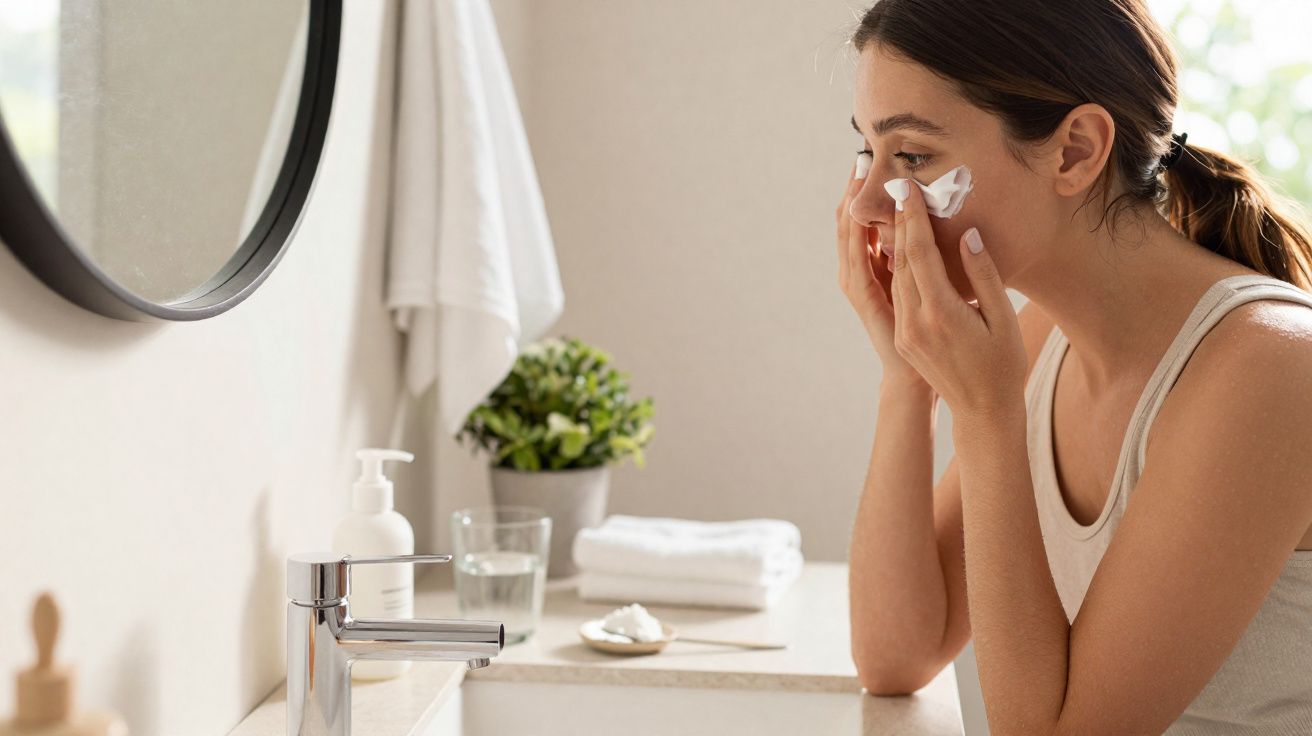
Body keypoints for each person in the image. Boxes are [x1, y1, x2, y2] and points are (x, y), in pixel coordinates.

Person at [836, 1, 1312, 733]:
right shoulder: (1041, 339)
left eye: (914, 157)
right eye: (869, 152)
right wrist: (909, 377)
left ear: (1076, 151)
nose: (869, 202)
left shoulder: (1270, 369)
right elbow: (897, 652)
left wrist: (989, 418)